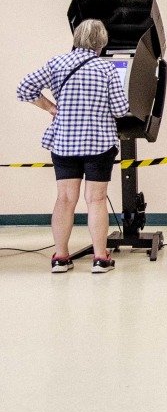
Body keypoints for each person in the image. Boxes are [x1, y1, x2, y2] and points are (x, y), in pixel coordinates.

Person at [17, 19, 128, 274]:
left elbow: (24, 88)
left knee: (65, 199)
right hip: (99, 143)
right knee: (96, 200)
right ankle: (101, 259)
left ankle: (60, 257)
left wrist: (51, 108)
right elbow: (121, 110)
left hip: (64, 142)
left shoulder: (56, 63)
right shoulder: (107, 69)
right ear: (101, 43)